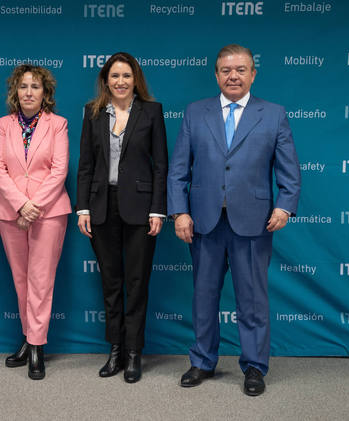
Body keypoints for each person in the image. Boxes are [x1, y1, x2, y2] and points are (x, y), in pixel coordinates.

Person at [168, 44, 301, 396]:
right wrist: (180, 211)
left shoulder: (273, 114)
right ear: (216, 75)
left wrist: (285, 206)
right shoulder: (196, 113)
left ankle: (254, 366)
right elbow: (178, 169)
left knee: (253, 299)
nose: (233, 76)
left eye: (241, 69)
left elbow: (290, 170)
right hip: (204, 222)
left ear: (253, 74)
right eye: (226, 70)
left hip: (254, 222)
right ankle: (202, 361)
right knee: (204, 296)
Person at [77, 52, 168, 383]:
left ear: (136, 79)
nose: (120, 82)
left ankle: (134, 353)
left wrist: (159, 209)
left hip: (141, 209)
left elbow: (161, 165)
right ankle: (114, 350)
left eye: (126, 76)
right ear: (106, 80)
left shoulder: (152, 112)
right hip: (102, 207)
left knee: (137, 282)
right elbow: (85, 164)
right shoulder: (93, 112)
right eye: (114, 76)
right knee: (111, 284)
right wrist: (83, 207)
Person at [0, 65, 71, 380]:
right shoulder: (3, 125)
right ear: (15, 91)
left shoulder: (58, 124)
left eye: (35, 87)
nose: (28, 92)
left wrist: (33, 206)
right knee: (21, 280)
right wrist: (20, 205)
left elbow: (59, 169)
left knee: (41, 281)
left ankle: (37, 347)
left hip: (48, 213)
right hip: (10, 212)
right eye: (23, 86)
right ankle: (28, 337)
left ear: (45, 93)